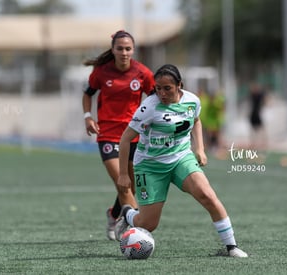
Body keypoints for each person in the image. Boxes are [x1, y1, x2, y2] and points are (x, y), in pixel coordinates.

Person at [114, 64, 248, 258]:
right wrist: (124, 174)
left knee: (207, 195)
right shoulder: (149, 107)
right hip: (150, 166)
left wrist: (199, 148)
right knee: (148, 224)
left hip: (180, 159)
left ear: (179, 86)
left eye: (167, 88)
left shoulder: (192, 100)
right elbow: (125, 139)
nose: (162, 93)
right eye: (158, 88)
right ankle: (127, 212)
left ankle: (231, 247)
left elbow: (196, 120)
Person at [82, 30, 155, 240]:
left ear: (133, 50)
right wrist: (88, 116)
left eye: (128, 48)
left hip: (135, 135)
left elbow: (154, 99)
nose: (124, 52)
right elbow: (87, 94)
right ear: (113, 49)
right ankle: (137, 231)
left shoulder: (143, 73)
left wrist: (152, 121)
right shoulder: (101, 72)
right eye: (120, 48)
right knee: (122, 183)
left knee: (130, 183)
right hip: (108, 135)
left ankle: (114, 214)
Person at [248, 82, 267, 150]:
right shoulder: (252, 95)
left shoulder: (260, 95)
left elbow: (264, 101)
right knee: (253, 128)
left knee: (261, 128)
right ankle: (254, 142)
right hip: (253, 113)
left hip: (258, 112)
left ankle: (263, 142)